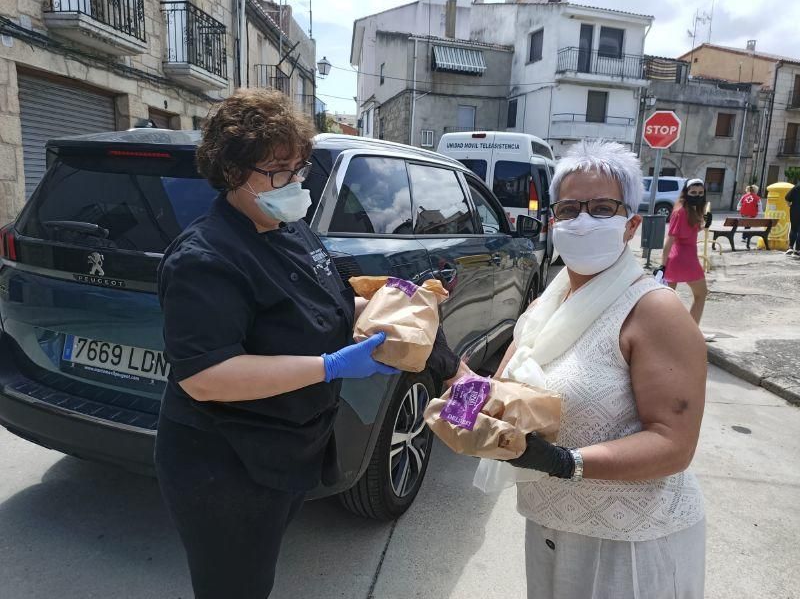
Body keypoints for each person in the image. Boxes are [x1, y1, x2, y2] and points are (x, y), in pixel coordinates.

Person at [154, 89, 461, 599]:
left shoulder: (289, 229)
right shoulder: (205, 258)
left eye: (298, 169)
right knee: (236, 585)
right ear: (232, 172)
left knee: (261, 571)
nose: (295, 183)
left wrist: (403, 311)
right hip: (224, 464)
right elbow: (206, 377)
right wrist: (330, 366)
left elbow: (333, 304)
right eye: (278, 171)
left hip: (287, 450)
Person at [492, 141, 706, 599]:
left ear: (631, 224)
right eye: (569, 209)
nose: (583, 220)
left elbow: (673, 443)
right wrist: (443, 365)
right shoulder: (545, 306)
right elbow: (500, 393)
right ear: (553, 221)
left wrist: (566, 461)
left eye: (602, 208)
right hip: (550, 524)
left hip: (630, 543)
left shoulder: (655, 311)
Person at [661, 179, 709, 328]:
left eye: (700, 193)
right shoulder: (681, 211)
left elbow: (688, 233)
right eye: (693, 192)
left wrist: (704, 225)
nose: (697, 195)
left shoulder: (688, 209)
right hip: (686, 259)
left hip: (677, 258)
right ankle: (691, 331)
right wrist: (662, 265)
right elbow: (669, 240)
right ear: (686, 193)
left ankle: (661, 332)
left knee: (667, 300)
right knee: (701, 294)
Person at [786, 181, 800, 257]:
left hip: (795, 210)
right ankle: (797, 251)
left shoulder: (796, 187)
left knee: (794, 229)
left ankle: (790, 247)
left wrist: (790, 205)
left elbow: (787, 198)